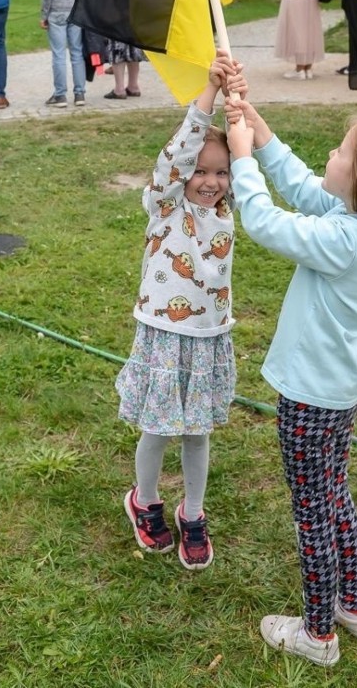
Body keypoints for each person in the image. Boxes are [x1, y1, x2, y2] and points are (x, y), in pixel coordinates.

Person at [223, 84, 357, 667]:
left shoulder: (345, 239)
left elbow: (267, 221)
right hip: (337, 392)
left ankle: (317, 634)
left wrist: (240, 158)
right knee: (334, 494)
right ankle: (354, 606)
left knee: (312, 510)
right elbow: (298, 185)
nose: (330, 158)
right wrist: (257, 127)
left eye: (340, 154)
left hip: (311, 397)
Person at [116, 51, 238, 571]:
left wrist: (239, 112)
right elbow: (175, 156)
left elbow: (250, 164)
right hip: (165, 333)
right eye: (200, 172)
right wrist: (208, 98)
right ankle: (144, 500)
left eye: (220, 172)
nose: (209, 182)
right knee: (160, 427)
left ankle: (193, 512)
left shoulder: (229, 212)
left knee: (197, 431)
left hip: (208, 337)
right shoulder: (166, 205)